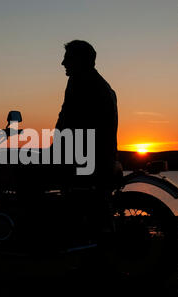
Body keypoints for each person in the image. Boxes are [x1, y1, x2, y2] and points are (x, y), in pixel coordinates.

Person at [54, 40, 120, 235]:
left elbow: (67, 121)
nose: (63, 63)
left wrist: (54, 150)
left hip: (88, 159)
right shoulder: (97, 82)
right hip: (96, 156)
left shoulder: (82, 83)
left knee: (29, 174)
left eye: (68, 58)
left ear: (81, 60)